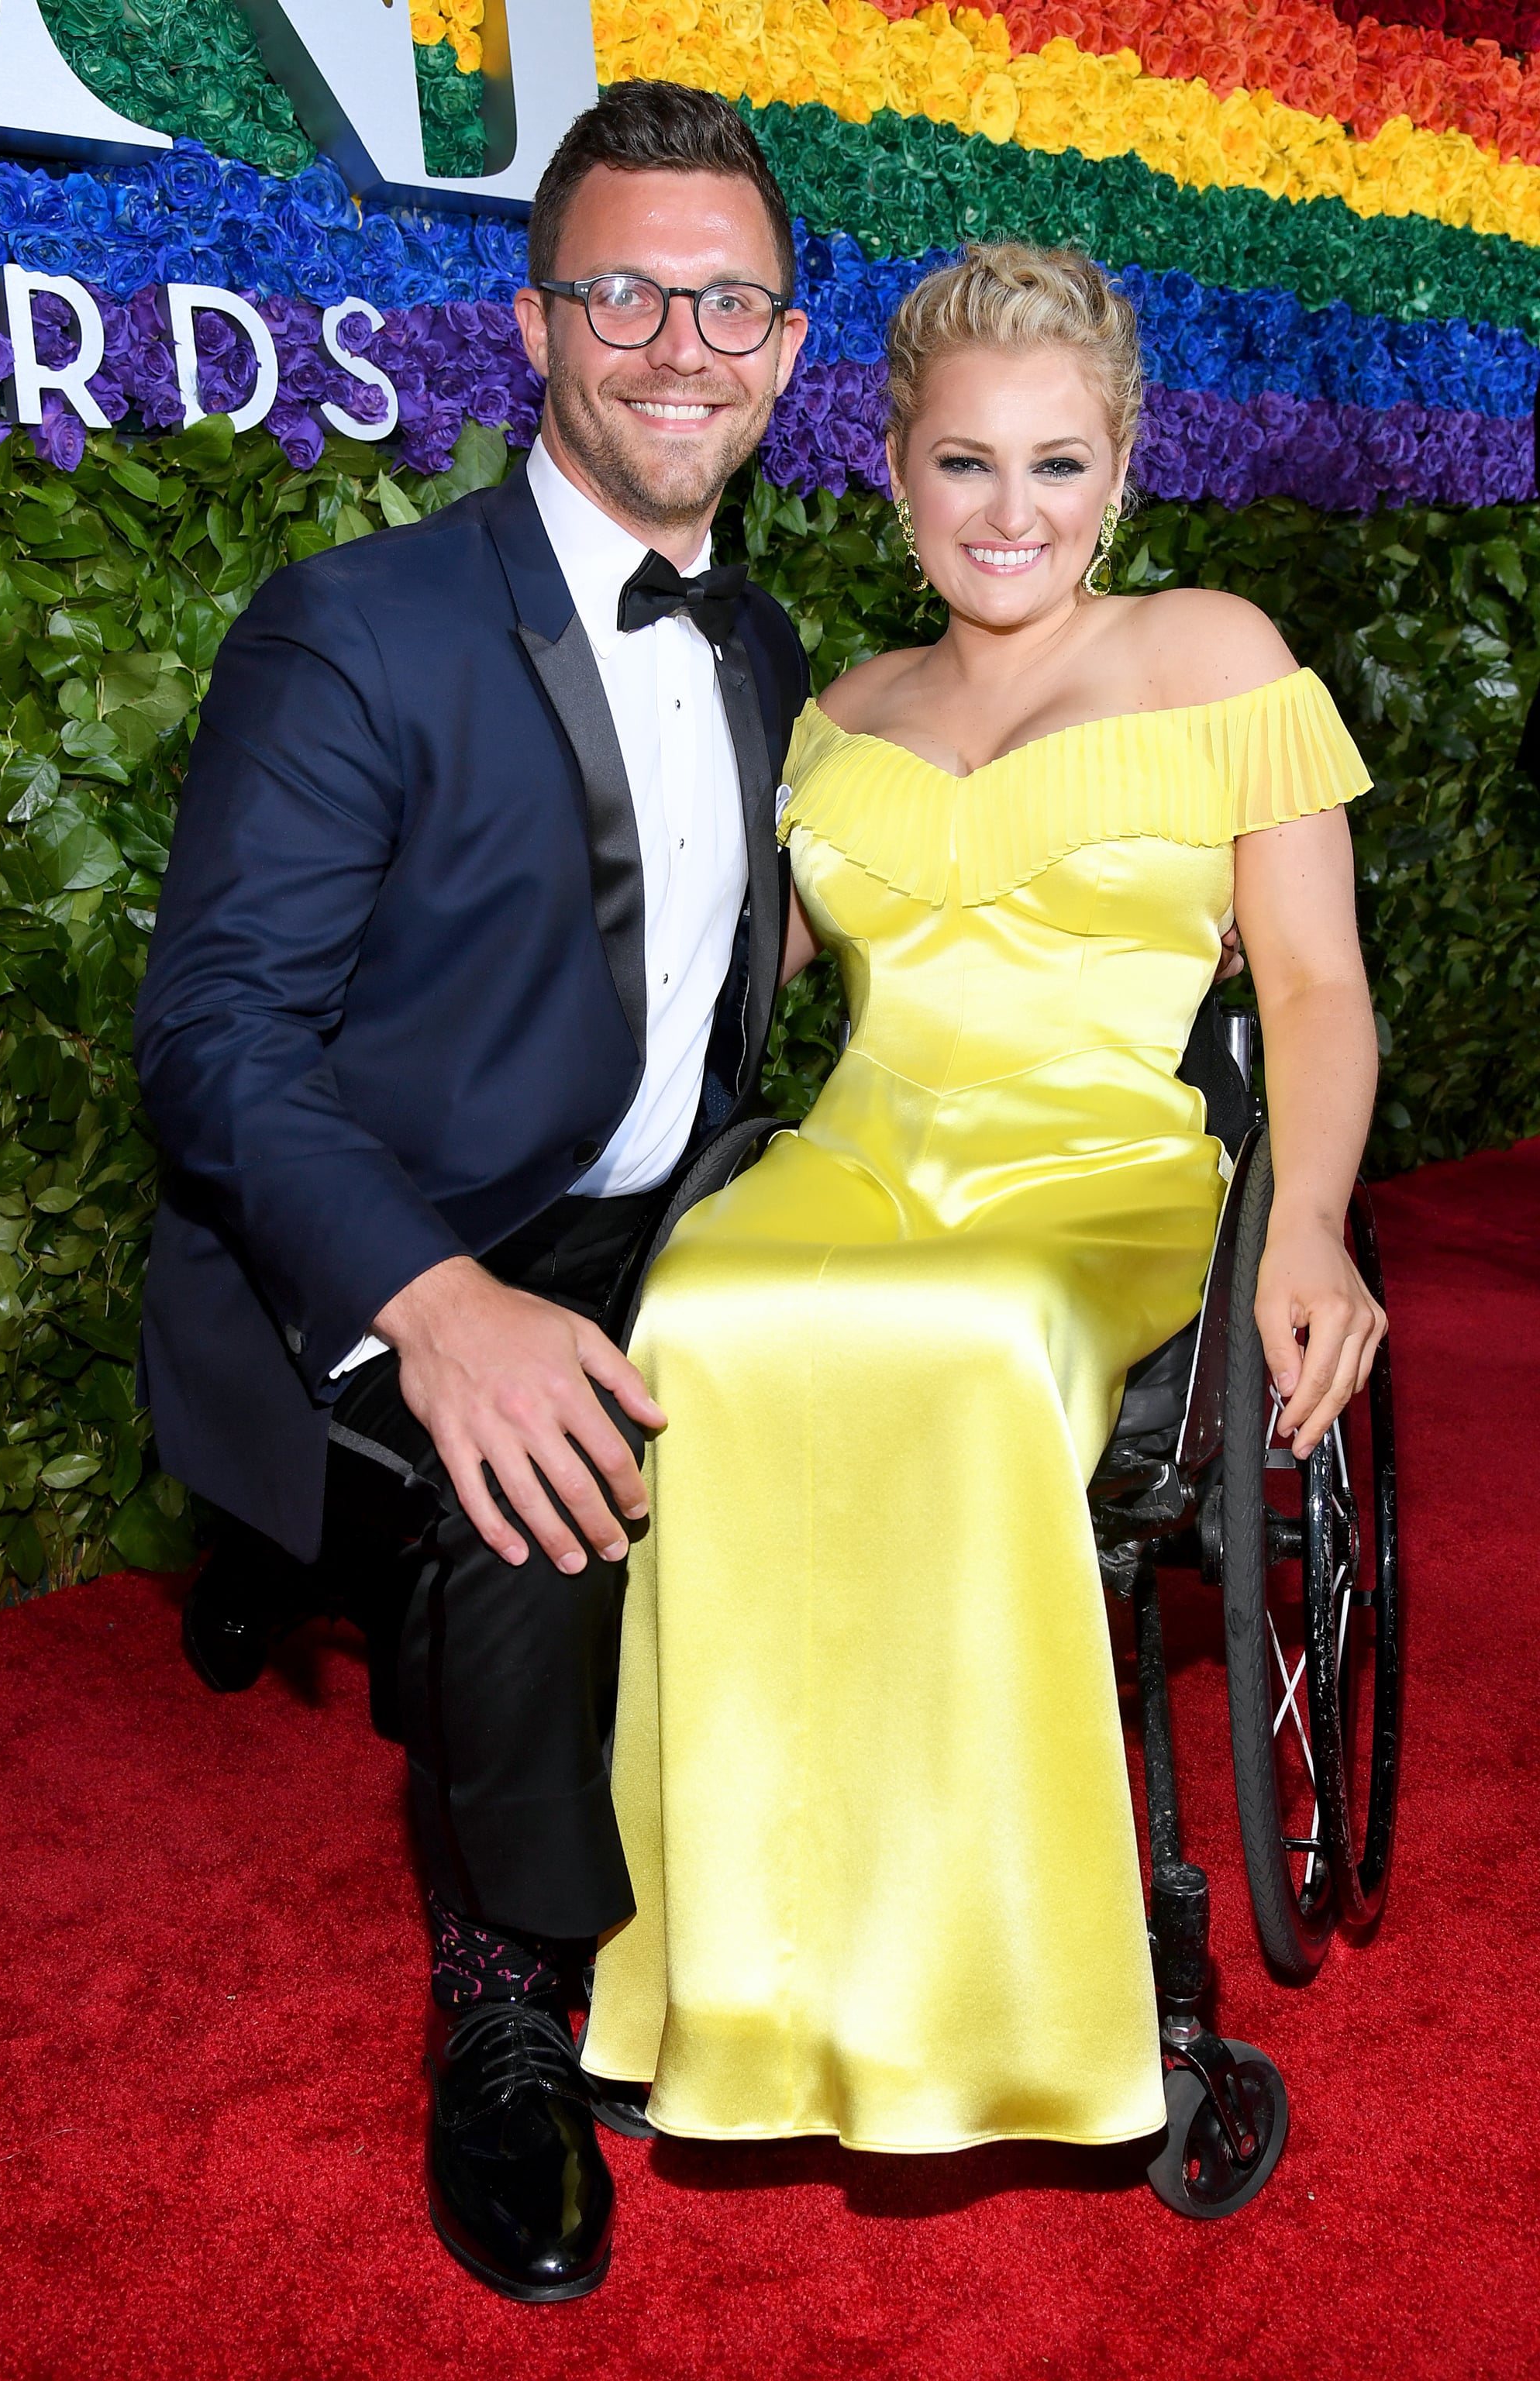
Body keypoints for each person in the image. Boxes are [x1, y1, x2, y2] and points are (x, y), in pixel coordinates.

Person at [581, 243, 1387, 2155]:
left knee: (978, 1330)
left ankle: (1004, 1993)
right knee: (692, 1314)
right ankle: (745, 1986)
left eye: (1053, 466)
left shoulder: (1215, 653)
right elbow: (704, 984)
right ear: (892, 472)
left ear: (1120, 473)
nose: (1007, 512)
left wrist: (1310, 1221)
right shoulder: (836, 714)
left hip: (1098, 1167)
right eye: (965, 465)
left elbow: (1319, 991)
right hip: (863, 1150)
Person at [133, 83, 809, 2300]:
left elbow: (713, 943)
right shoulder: (361, 625)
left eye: (728, 300)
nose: (677, 342)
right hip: (403, 1215)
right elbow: (219, 1035)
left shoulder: (772, 643)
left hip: (658, 1198)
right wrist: (432, 1295)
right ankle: (515, 1998)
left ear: (791, 347)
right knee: (560, 1450)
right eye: (625, 290)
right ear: (536, 327)